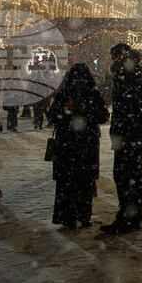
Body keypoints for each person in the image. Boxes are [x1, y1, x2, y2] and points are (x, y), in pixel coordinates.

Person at [101, 43, 142, 234]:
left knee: (123, 173)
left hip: (125, 130)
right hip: (139, 131)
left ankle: (126, 215)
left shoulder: (123, 76)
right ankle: (135, 214)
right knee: (135, 172)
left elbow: (119, 103)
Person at [48, 63, 109, 229]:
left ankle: (83, 215)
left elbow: (103, 116)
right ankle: (67, 216)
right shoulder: (64, 94)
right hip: (69, 143)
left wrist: (85, 109)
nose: (79, 82)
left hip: (84, 143)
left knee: (83, 182)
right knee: (67, 181)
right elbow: (52, 116)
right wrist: (68, 110)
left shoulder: (92, 94)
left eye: (82, 79)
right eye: (77, 79)